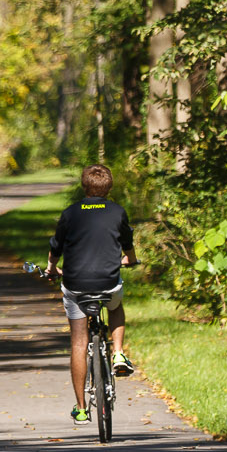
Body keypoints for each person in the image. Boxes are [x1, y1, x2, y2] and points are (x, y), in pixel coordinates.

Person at [46, 163, 136, 424]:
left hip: (75, 284)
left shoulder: (71, 213)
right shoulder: (118, 212)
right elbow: (127, 243)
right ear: (109, 187)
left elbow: (56, 246)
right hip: (108, 283)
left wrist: (52, 269)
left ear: (84, 186)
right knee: (116, 306)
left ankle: (81, 408)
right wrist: (130, 259)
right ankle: (118, 352)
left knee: (78, 341)